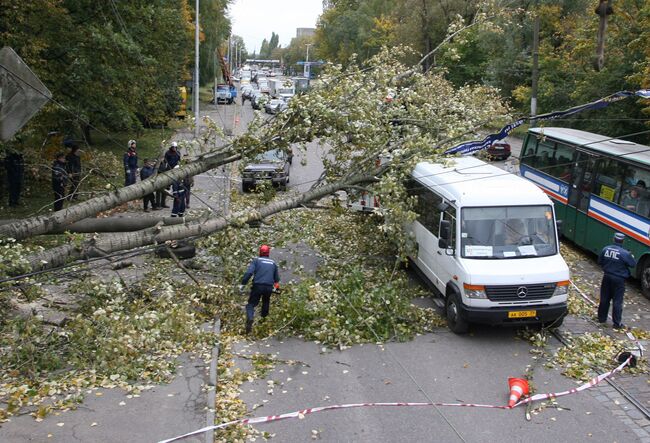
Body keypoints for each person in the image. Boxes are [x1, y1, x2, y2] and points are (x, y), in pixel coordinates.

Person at [597, 233, 636, 330]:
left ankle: (602, 319)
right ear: (623, 241)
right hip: (619, 279)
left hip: (607, 276)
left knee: (604, 298)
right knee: (617, 301)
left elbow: (600, 261)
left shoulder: (606, 249)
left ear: (613, 239)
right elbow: (632, 264)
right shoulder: (625, 253)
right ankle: (617, 323)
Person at [239, 245, 280, 333]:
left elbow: (249, 273)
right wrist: (276, 290)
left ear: (260, 252)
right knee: (266, 302)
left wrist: (243, 284)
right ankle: (263, 323)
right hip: (269, 287)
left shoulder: (256, 261)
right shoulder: (273, 263)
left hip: (258, 285)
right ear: (268, 253)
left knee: (251, 304)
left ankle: (250, 318)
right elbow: (276, 280)